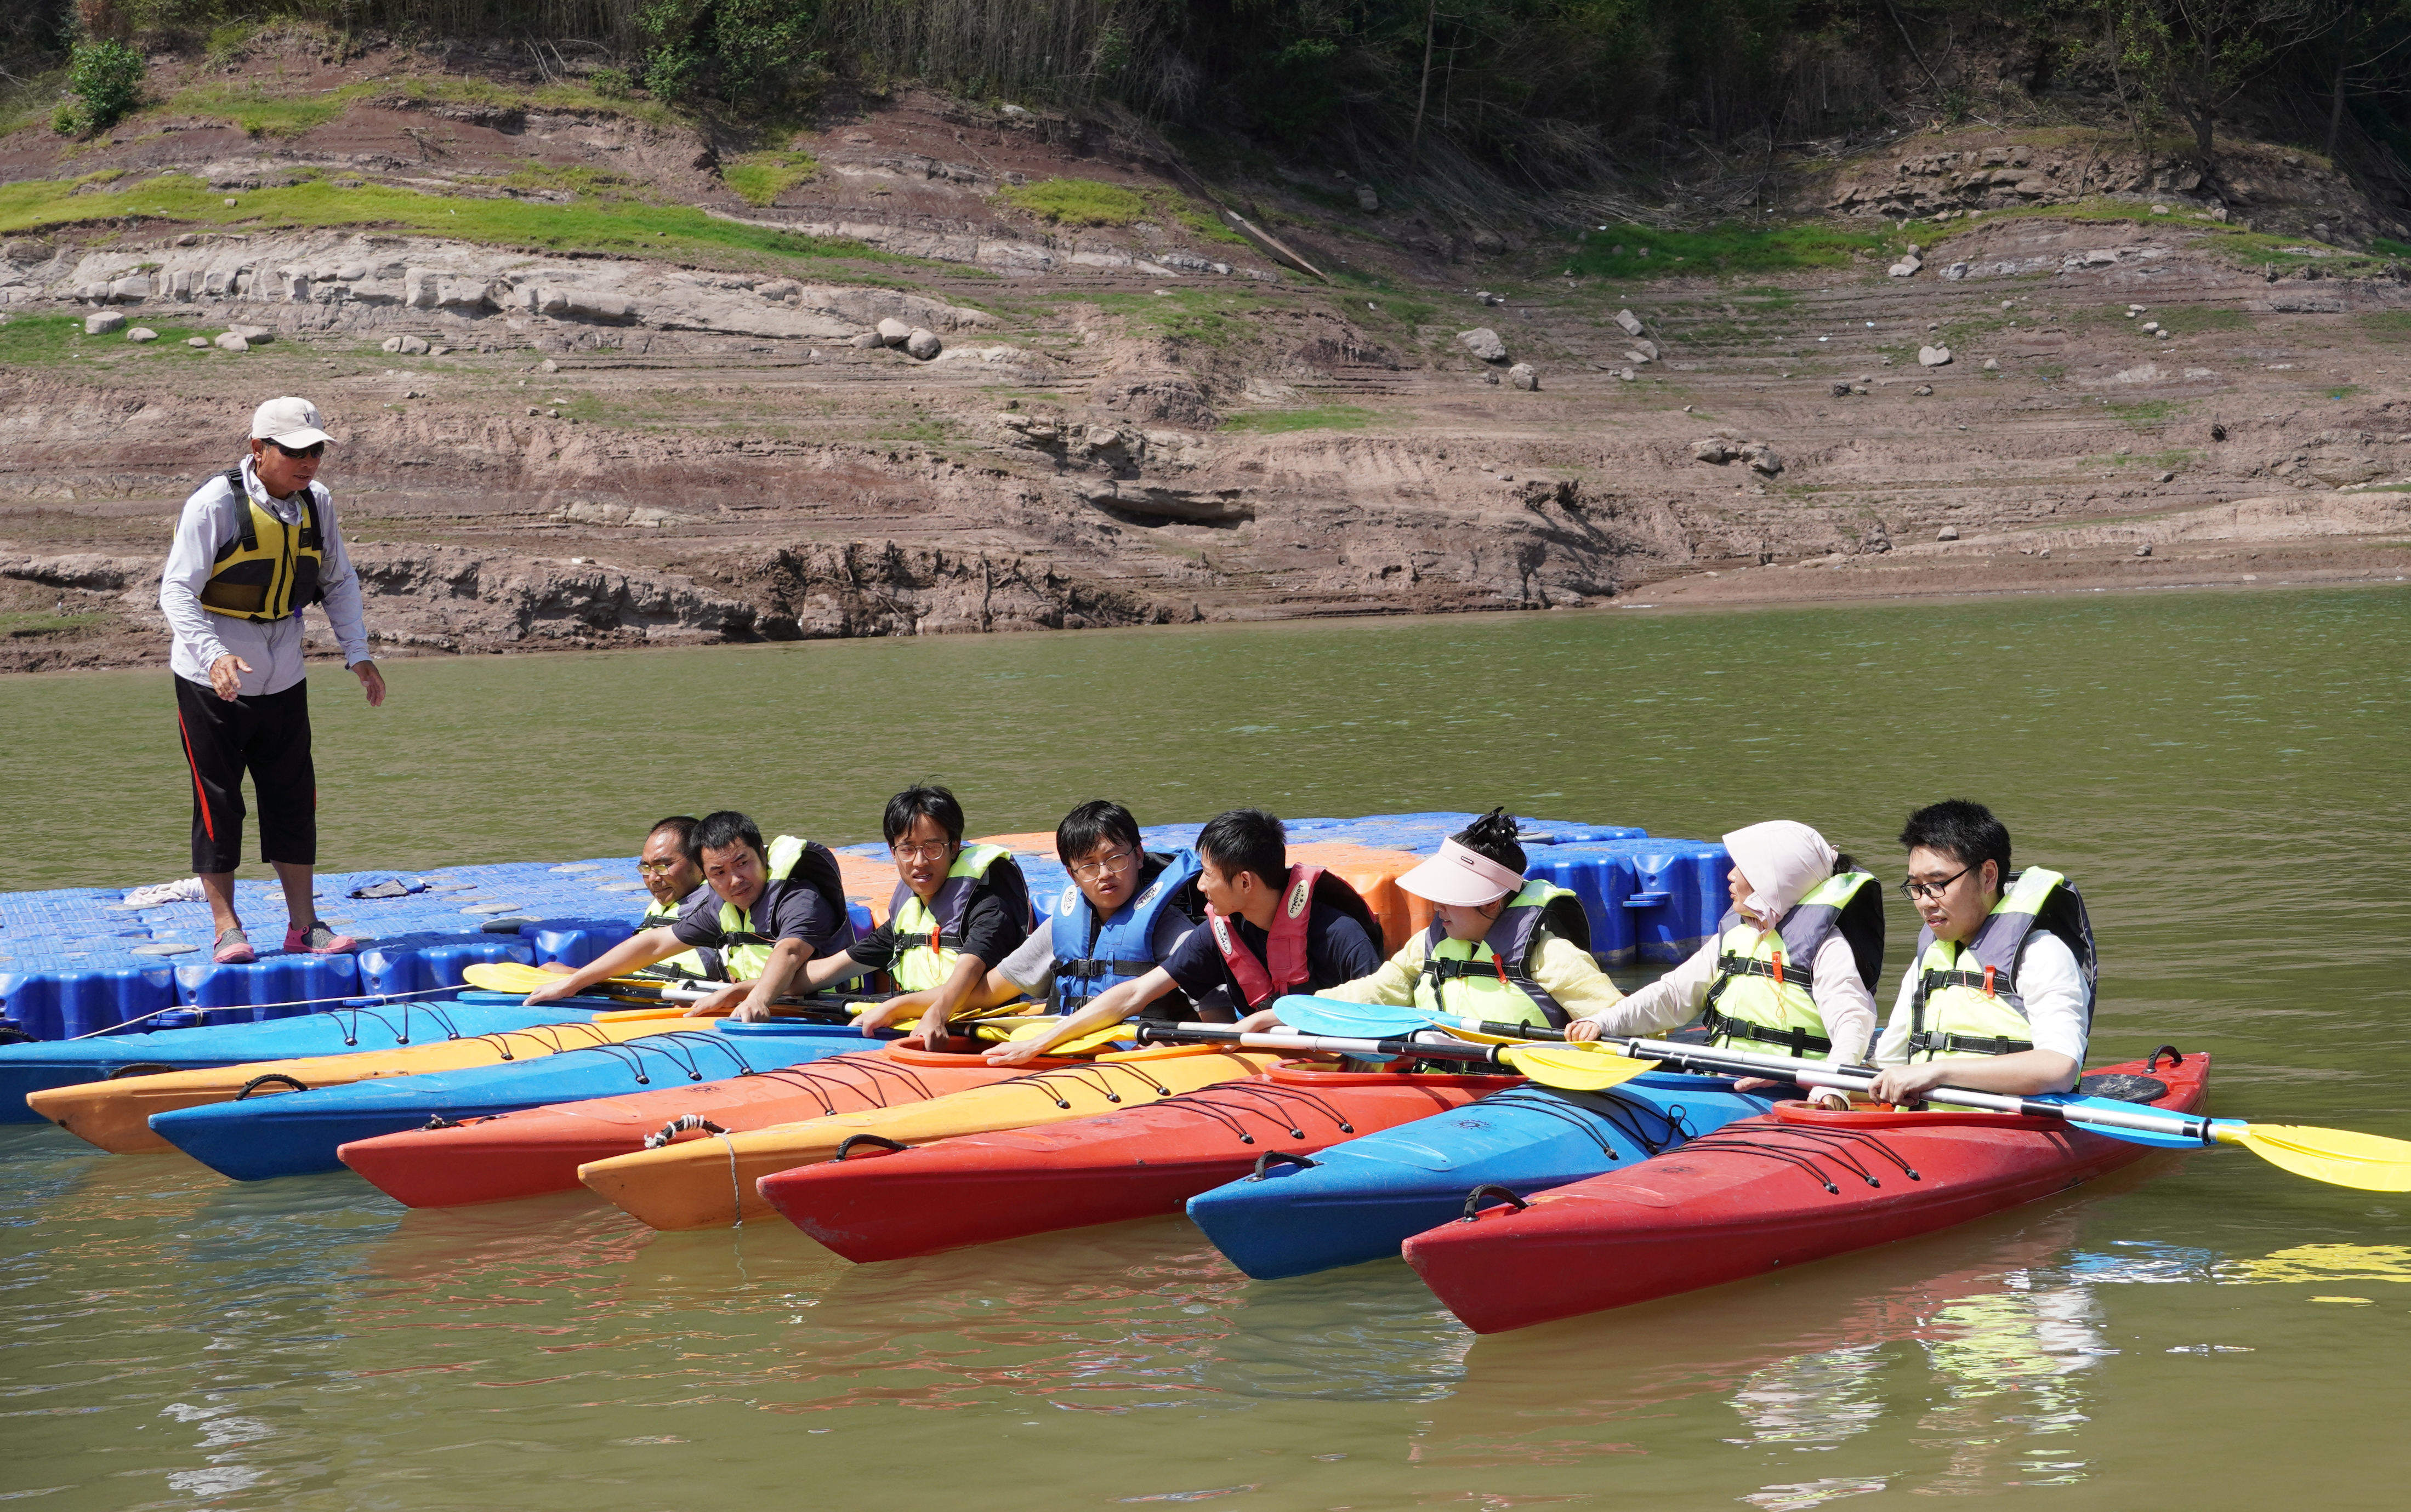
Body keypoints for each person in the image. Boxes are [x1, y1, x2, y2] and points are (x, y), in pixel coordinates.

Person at [160, 396, 386, 965]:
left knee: (292, 795)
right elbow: (177, 590)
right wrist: (213, 655)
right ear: (259, 449)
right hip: (213, 675)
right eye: (295, 451)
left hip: (283, 668)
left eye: (315, 451)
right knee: (220, 800)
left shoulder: (318, 503)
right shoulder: (214, 503)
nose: (308, 462)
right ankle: (226, 926)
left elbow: (338, 579)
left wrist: (357, 652)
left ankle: (303, 924)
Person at [986, 807, 1383, 1066]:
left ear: (1245, 881)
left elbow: (1380, 1013)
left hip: (1346, 1068)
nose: (1201, 886)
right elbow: (1134, 994)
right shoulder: (1220, 932)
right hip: (1279, 1064)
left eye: (1208, 874)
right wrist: (1042, 1042)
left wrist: (1271, 1020)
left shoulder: (1339, 934)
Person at [1565, 820, 1884, 1107]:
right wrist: (1605, 1022)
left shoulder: (1826, 947)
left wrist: (1830, 1089)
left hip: (1791, 1092)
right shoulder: (1734, 934)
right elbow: (1673, 996)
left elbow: (1852, 1021)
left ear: (1774, 879)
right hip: (1720, 1081)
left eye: (1742, 868)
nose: (1730, 876)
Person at [1255, 808, 1624, 1030]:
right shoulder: (1427, 947)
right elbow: (1372, 992)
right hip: (1445, 1091)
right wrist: (1283, 1014)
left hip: (1528, 1094)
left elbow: (1624, 1021)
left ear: (1492, 902)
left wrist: (1594, 1029)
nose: (1437, 907)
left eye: (1452, 897)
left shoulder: (1553, 958)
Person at [875, 800, 1204, 1025]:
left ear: (1139, 856)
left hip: (1141, 1055)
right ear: (1072, 875)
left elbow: (1214, 1016)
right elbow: (985, 993)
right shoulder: (1061, 929)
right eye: (1088, 865)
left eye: (1115, 860)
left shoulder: (1171, 928)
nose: (1104, 874)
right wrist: (897, 1006)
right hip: (1070, 1052)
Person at [1868, 800, 2096, 1105]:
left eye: (1937, 884)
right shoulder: (1929, 960)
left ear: (1989, 876)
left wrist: (1938, 1071)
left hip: (2006, 1128)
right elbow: (1887, 1064)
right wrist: (1831, 1091)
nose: (1924, 902)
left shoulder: (2042, 954)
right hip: (1918, 1125)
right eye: (1915, 887)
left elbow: (2059, 1067)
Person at [525, 811, 852, 1019]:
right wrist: (573, 983)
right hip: (761, 1004)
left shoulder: (799, 897)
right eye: (719, 872)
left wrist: (757, 1000)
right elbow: (655, 944)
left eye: (743, 863)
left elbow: (791, 951)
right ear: (706, 875)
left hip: (822, 1013)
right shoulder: (720, 906)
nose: (735, 880)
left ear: (763, 857)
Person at [800, 785, 1033, 1046]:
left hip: (974, 1035)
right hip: (913, 1027)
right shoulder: (908, 915)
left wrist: (936, 1014)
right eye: (908, 849)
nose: (920, 862)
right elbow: (832, 969)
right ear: (893, 853)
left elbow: (971, 967)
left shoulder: (990, 904)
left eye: (933, 847)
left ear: (954, 846)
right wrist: (760, 989)